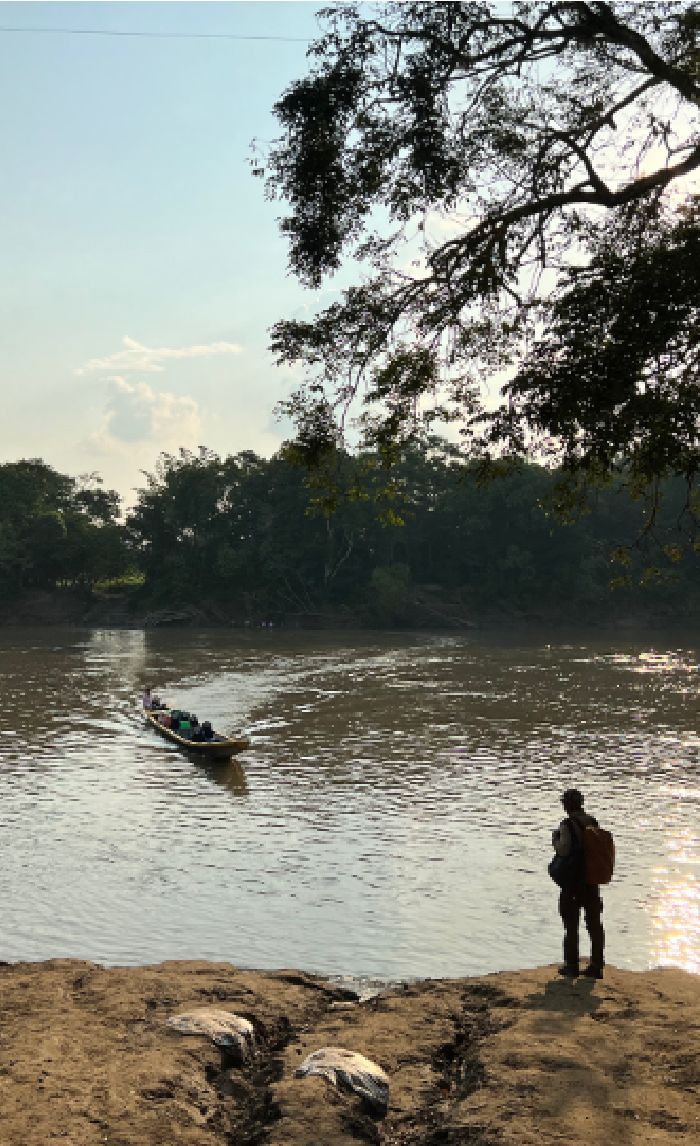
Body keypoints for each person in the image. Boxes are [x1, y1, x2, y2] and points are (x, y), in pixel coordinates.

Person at [552, 788, 605, 979]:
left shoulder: (567, 824)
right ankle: (596, 966)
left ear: (567, 805)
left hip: (573, 882)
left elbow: (563, 850)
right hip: (591, 880)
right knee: (594, 924)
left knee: (571, 925)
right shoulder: (592, 821)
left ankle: (572, 966)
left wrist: (555, 840)